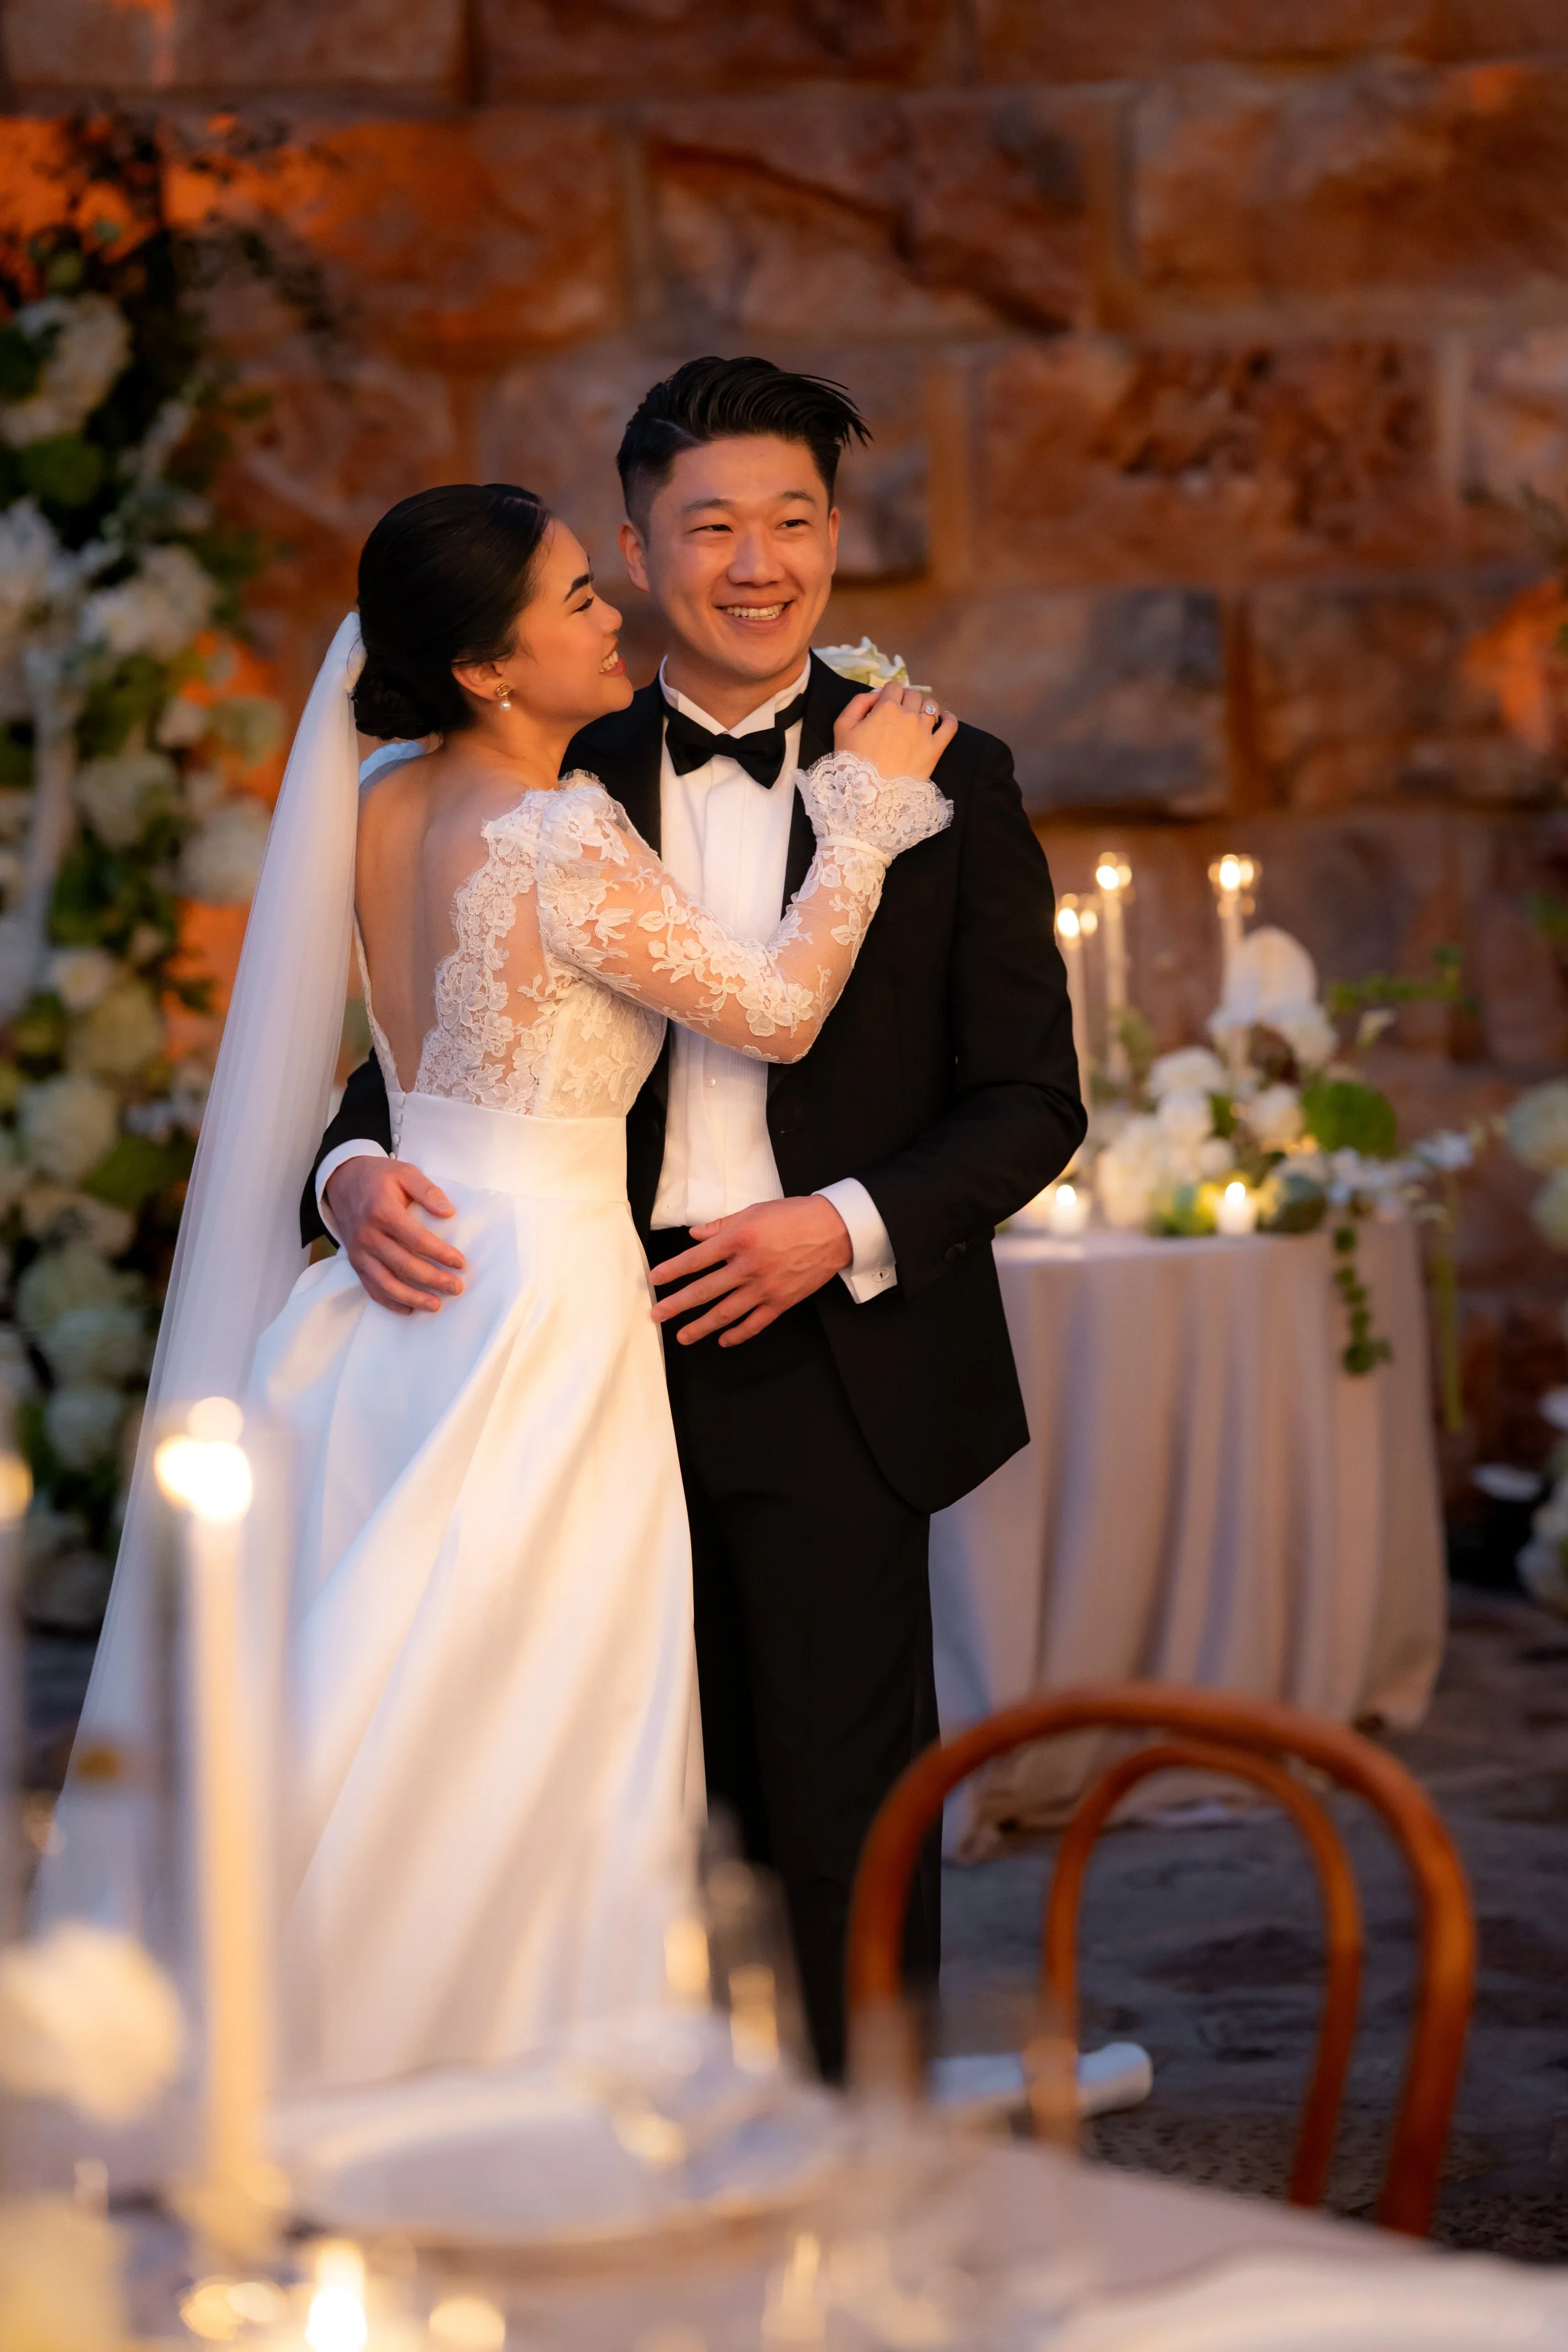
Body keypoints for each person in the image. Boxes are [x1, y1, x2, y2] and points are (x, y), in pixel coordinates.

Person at [45, 480, 955, 2096]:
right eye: (578, 600)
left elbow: (391, 1058)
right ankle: (486, 2074)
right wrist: (870, 806)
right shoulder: (548, 826)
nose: (616, 612)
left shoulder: (384, 794)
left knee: (400, 1689)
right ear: (485, 665)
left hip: (390, 1313)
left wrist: (346, 1171)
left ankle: (315, 2044)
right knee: (531, 1709)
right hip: (537, 1309)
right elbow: (777, 1009)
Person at [307, 359, 1087, 2080]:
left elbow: (1033, 1100)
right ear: (636, 548)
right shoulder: (533, 758)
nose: (758, 561)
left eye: (792, 520)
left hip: (830, 1355)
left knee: (829, 1805)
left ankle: (845, 2181)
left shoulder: (950, 779)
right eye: (708, 524)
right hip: (571, 1338)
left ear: (834, 538)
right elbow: (426, 1038)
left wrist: (845, 1224)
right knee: (558, 1774)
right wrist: (346, 1175)